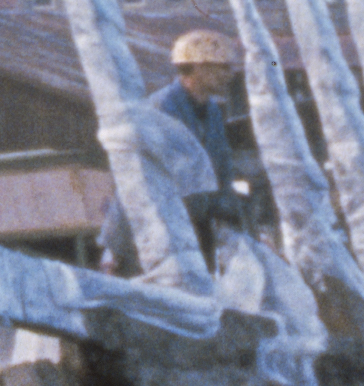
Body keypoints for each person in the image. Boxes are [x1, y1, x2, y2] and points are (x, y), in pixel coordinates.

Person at [99, 32, 254, 272]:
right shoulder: (159, 111)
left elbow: (221, 168)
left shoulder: (212, 112)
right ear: (199, 68)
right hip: (159, 229)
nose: (229, 74)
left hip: (198, 227)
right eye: (222, 67)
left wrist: (236, 221)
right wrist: (114, 248)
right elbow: (133, 177)